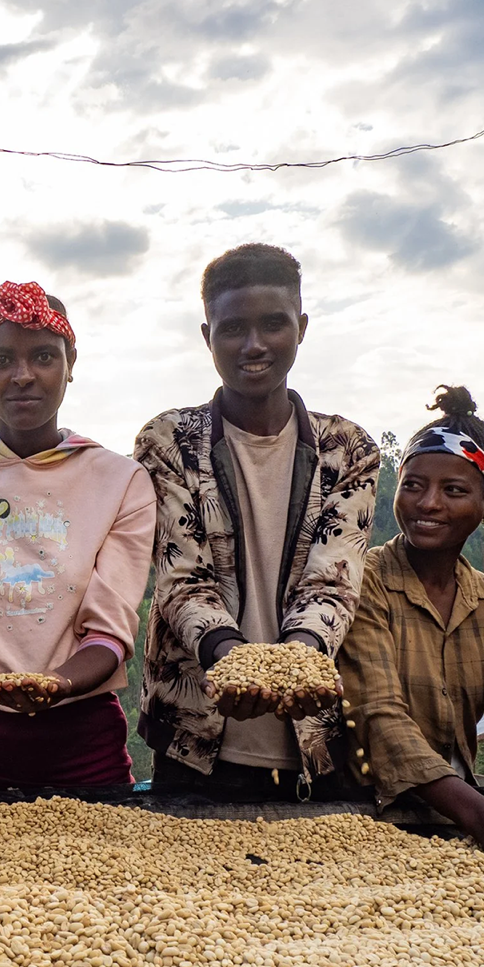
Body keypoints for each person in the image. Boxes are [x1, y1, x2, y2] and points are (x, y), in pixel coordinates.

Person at [134, 243, 379, 799]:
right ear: (207, 337)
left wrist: (295, 664)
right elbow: (182, 580)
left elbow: (332, 583)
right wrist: (232, 660)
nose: (254, 345)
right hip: (193, 738)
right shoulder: (168, 441)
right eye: (233, 328)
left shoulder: (348, 449)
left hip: (312, 740)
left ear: (302, 326)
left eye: (274, 324)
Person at [0, 280, 155, 791]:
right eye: (1, 360)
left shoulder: (120, 482)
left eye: (43, 356)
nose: (22, 376)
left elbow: (109, 629)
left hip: (87, 744)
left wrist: (54, 686)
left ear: (70, 363)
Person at [337, 386, 484, 855]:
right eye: (414, 485)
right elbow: (379, 718)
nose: (428, 504)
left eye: (454, 490)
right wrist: (482, 816)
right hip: (362, 813)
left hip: (457, 822)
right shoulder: (361, 582)